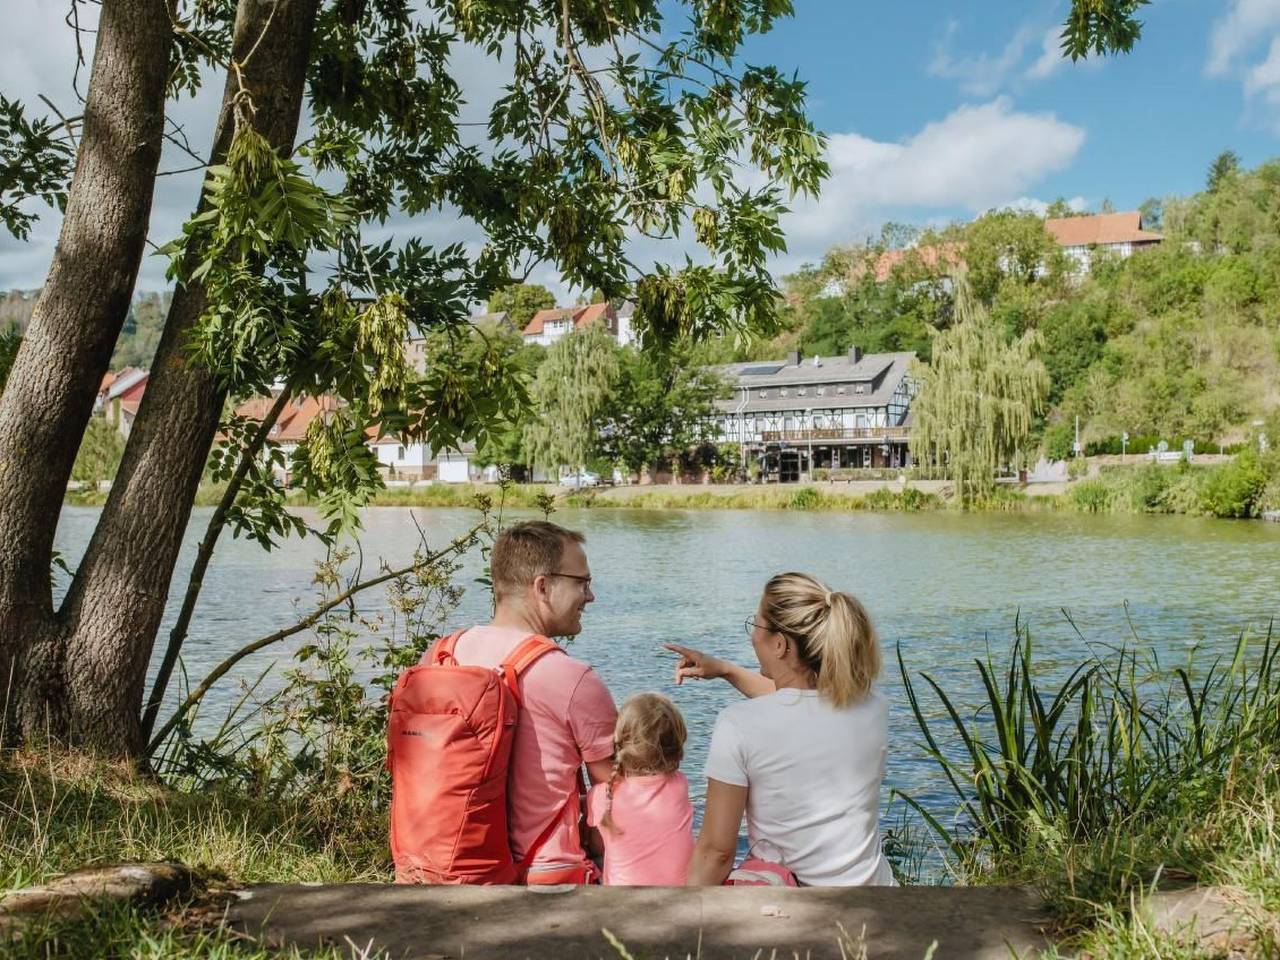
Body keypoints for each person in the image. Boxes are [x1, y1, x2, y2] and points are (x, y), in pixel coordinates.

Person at [667, 572, 895, 887]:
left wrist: (688, 917)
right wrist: (726, 670)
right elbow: (799, 706)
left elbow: (717, 852)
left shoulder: (738, 725)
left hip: (792, 910)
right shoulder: (874, 708)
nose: (752, 636)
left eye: (755, 625)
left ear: (779, 644)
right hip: (875, 897)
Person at [450, 520, 617, 884]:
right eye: (582, 583)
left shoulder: (442, 655)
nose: (590, 597)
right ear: (542, 587)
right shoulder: (572, 678)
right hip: (545, 875)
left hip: (446, 865)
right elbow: (620, 797)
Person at [585, 693, 694, 885]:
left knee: (593, 856)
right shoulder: (680, 784)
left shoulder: (602, 795)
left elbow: (597, 846)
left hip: (621, 899)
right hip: (678, 895)